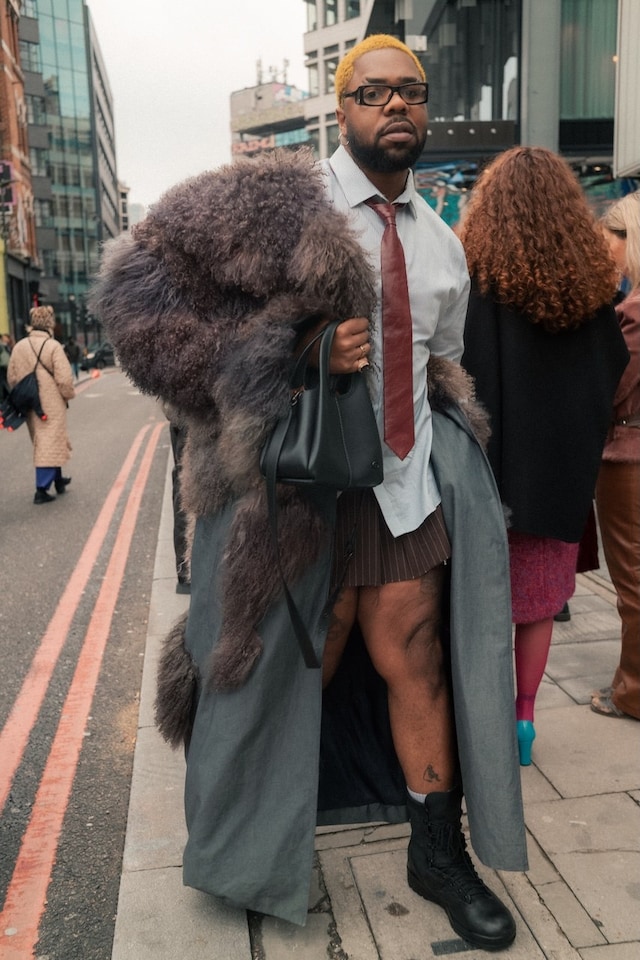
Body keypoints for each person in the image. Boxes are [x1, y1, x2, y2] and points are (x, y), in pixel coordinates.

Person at [89, 36, 527, 950]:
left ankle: (437, 853)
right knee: (291, 671)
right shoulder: (274, 203)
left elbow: (438, 364)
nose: (397, 107)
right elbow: (134, 295)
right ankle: (256, 844)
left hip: (403, 491)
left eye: (412, 92)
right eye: (376, 93)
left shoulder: (444, 246)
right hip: (290, 497)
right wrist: (292, 357)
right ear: (343, 107)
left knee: (416, 657)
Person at [459, 147, 630, 765]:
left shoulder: (477, 280)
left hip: (487, 478)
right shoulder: (588, 289)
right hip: (558, 478)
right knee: (536, 608)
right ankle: (525, 717)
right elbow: (611, 366)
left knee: (479, 610)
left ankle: (479, 723)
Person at [591, 191, 640, 721]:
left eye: (612, 244)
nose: (607, 256)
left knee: (632, 580)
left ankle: (632, 691)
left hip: (628, 458)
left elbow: (612, 391)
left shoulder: (631, 313)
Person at [7, 305, 75, 503]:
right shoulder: (53, 346)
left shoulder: (19, 346)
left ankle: (58, 479)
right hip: (50, 401)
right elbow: (64, 379)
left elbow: (12, 377)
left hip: (29, 401)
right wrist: (68, 395)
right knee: (48, 441)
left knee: (45, 439)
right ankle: (41, 490)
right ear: (49, 324)